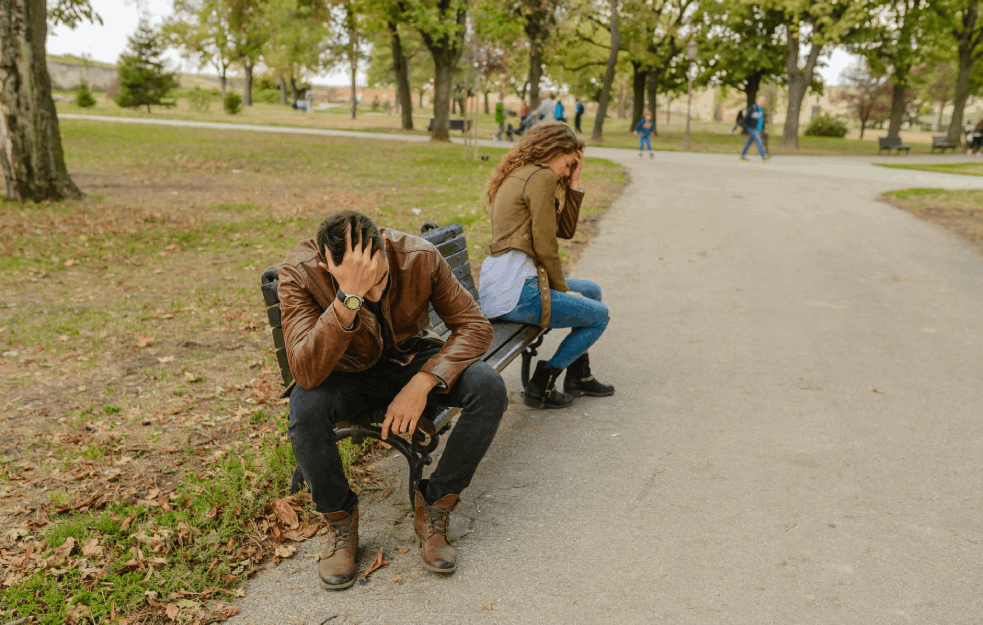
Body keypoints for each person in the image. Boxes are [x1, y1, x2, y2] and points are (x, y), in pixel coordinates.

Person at [279, 211, 507, 589]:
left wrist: (422, 383)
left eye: (378, 279)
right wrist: (346, 299)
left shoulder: (418, 256)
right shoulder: (301, 272)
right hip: (344, 371)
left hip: (410, 360)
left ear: (384, 248)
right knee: (305, 409)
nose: (374, 294)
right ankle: (340, 524)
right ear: (326, 266)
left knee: (489, 386)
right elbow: (305, 373)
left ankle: (434, 508)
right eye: (357, 287)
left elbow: (474, 326)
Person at [479, 123, 615, 409]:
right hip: (517, 291)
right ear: (554, 150)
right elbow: (545, 246)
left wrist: (574, 182)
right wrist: (563, 290)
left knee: (592, 291)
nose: (567, 172)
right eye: (568, 164)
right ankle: (544, 381)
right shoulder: (539, 177)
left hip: (509, 283)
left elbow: (563, 231)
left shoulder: (526, 173)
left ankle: (578, 376)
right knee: (600, 316)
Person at [740, 96, 770, 162]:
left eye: (763, 101)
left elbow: (762, 120)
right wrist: (741, 125)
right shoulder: (753, 108)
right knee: (759, 141)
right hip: (752, 128)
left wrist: (764, 128)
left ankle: (742, 155)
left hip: (759, 129)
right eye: (761, 101)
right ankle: (764, 156)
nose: (762, 102)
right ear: (758, 100)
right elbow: (746, 116)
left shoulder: (762, 109)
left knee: (748, 142)